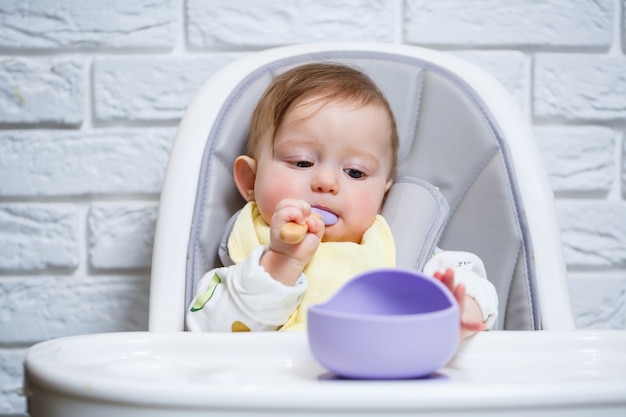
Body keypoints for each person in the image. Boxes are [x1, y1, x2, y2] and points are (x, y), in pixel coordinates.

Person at [186, 63, 498, 337]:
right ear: (250, 181)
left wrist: (459, 308)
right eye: (302, 162)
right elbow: (207, 334)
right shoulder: (246, 260)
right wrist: (280, 263)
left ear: (382, 197)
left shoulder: (404, 252)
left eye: (355, 172)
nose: (326, 182)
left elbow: (466, 279)